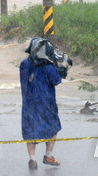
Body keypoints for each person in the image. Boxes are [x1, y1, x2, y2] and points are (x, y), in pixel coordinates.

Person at [20, 37, 70, 170]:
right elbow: (56, 81)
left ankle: (32, 160)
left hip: (29, 102)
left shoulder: (24, 64)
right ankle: (48, 156)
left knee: (30, 131)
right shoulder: (49, 66)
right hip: (47, 103)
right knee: (53, 128)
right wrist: (61, 67)